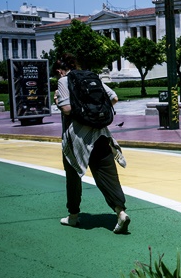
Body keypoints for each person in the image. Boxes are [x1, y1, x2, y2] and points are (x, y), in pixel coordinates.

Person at [53, 53, 130, 234]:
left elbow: (66, 109)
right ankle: (121, 213)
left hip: (78, 138)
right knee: (108, 175)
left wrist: (57, 100)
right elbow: (114, 98)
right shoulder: (92, 77)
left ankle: (73, 216)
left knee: (73, 176)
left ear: (59, 71)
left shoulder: (64, 82)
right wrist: (95, 114)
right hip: (101, 133)